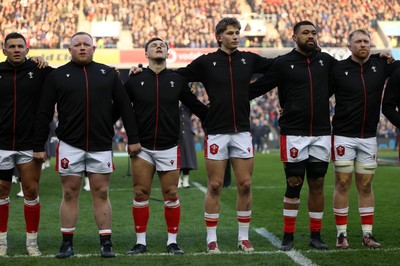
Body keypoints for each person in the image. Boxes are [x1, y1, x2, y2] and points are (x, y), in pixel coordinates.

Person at [130, 17, 274, 253]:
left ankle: (244, 237)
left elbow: (276, 68)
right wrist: (142, 70)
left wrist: (249, 92)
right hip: (216, 131)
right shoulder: (207, 62)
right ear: (219, 37)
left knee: (246, 185)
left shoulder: (249, 59)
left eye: (237, 32)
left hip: (243, 132)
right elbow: (175, 76)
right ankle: (211, 239)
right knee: (215, 185)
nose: (235, 36)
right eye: (230, 33)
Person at [33, 32, 141, 258]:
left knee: (101, 192)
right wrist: (38, 144)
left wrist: (134, 139)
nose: (82, 48)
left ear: (93, 49)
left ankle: (106, 243)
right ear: (69, 49)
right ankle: (66, 244)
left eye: (86, 45)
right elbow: (43, 113)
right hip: (70, 145)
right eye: (77, 45)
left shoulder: (108, 74)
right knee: (70, 193)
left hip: (100, 144)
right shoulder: (57, 76)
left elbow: (125, 107)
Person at [249, 21, 337, 251]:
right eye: (305, 32)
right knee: (294, 183)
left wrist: (381, 60)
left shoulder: (325, 61)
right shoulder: (282, 63)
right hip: (294, 133)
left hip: (321, 133)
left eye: (314, 32)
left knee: (317, 183)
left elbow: (350, 75)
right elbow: (255, 89)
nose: (311, 36)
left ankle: (315, 235)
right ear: (293, 37)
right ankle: (288, 236)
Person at [124, 37, 208, 255]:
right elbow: (122, 110)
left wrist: (220, 114)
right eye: (153, 45)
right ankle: (140, 242)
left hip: (169, 145)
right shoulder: (135, 79)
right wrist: (132, 138)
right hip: (141, 147)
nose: (158, 47)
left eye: (162, 45)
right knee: (141, 193)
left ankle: (172, 242)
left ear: (168, 52)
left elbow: (196, 106)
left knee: (171, 193)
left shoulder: (177, 79)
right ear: (145, 53)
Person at [331, 29, 400, 249]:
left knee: (366, 185)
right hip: (343, 135)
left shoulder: (380, 66)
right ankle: (341, 234)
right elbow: (318, 92)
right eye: (358, 41)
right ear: (349, 46)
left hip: (369, 136)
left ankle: (367, 234)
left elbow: (398, 68)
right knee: (342, 183)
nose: (363, 44)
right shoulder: (338, 69)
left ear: (371, 45)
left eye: (366, 41)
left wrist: (386, 54)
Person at [0, 32, 51, 257]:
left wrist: (45, 62)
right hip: (1, 143)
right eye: (12, 46)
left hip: (29, 143)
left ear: (27, 50)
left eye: (20, 46)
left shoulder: (39, 71)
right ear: (4, 51)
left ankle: (32, 242)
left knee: (30, 190)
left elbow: (70, 76)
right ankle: (1, 242)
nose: (16, 49)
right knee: (1, 191)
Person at [178, 103, 198, 188]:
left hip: (187, 131)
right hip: (176, 131)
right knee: (177, 156)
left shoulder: (187, 102)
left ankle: (186, 180)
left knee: (187, 156)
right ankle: (178, 180)